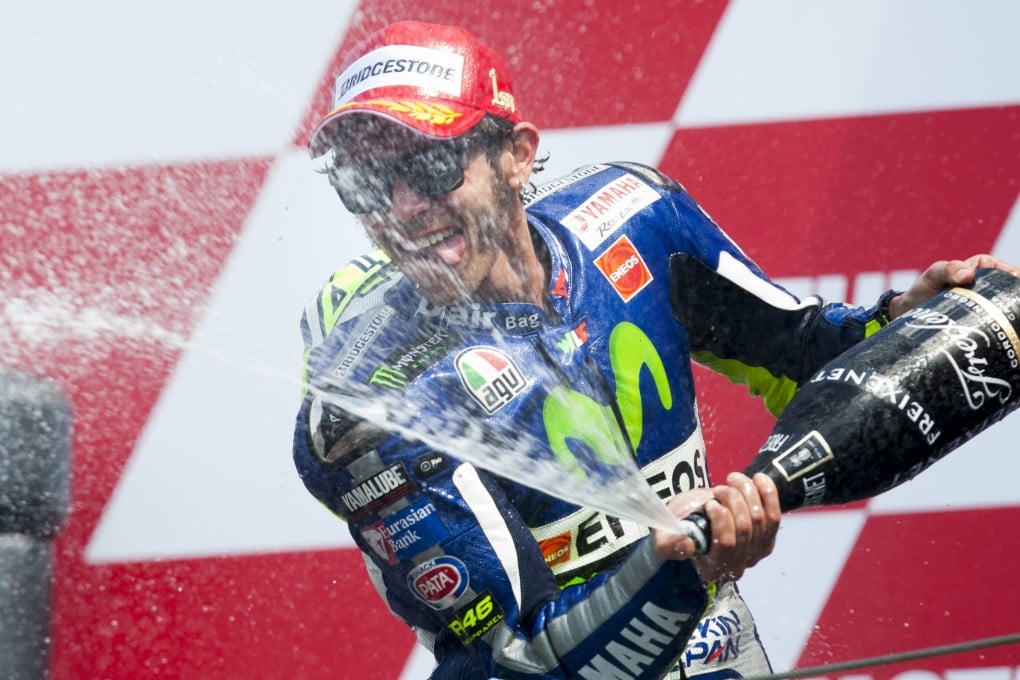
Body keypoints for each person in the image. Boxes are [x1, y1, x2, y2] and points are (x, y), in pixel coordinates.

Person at [291, 20, 1020, 679]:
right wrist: (682, 569)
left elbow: (804, 364)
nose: (402, 208)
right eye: (363, 182)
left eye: (427, 168)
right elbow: (522, 667)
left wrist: (899, 322)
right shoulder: (375, 402)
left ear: (516, 155)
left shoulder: (634, 216)